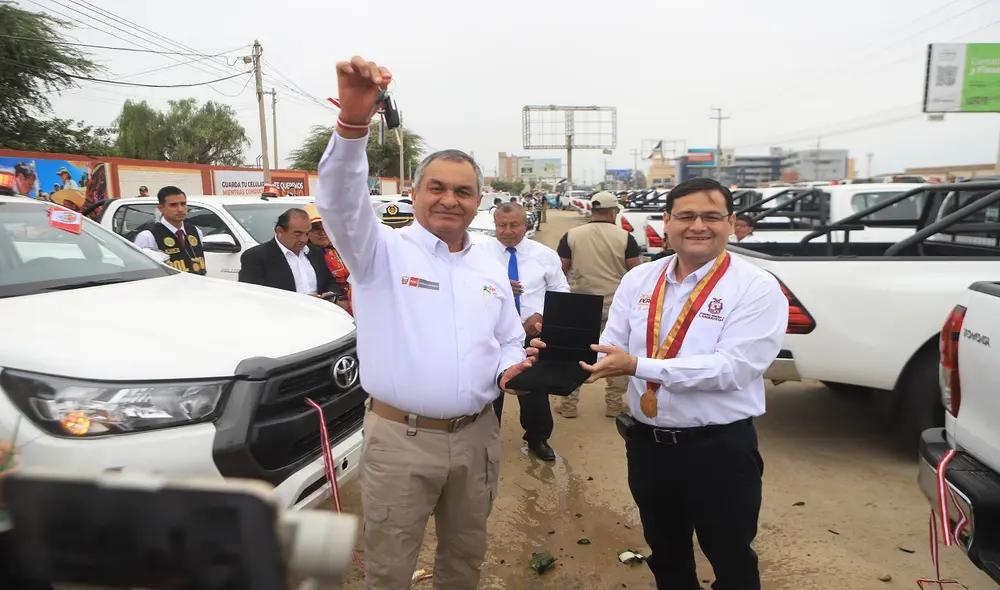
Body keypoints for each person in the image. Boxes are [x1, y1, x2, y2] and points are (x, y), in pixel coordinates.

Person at [315, 55, 536, 590]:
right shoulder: (379, 252)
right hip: (400, 439)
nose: (449, 200)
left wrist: (511, 363)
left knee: (465, 560)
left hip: (479, 433)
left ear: (477, 202)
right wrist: (352, 125)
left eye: (462, 191)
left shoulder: (488, 258)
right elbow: (341, 203)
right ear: (414, 194)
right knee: (390, 567)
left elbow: (507, 334)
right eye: (436, 187)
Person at [549, 177, 788, 590]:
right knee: (666, 551)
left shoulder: (756, 287)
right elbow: (613, 346)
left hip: (719, 450)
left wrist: (640, 366)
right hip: (648, 446)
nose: (698, 225)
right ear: (667, 221)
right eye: (686, 216)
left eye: (712, 216)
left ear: (731, 223)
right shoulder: (641, 280)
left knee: (730, 556)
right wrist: (552, 353)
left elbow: (733, 369)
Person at [486, 202, 570, 461]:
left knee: (534, 390)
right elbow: (464, 289)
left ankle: (537, 438)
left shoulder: (544, 255)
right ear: (495, 225)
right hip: (491, 334)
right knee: (490, 391)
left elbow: (561, 291)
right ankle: (487, 441)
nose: (508, 231)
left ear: (526, 225)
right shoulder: (479, 254)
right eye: (502, 225)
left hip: (532, 335)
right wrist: (497, 287)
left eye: (514, 225)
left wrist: (542, 315)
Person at [555, 191, 642, 418]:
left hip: (579, 304)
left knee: (575, 355)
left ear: (592, 210)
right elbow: (636, 271)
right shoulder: (625, 237)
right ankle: (614, 404)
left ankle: (569, 404)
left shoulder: (572, 235)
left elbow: (561, 269)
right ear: (613, 212)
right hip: (615, 305)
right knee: (617, 353)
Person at [237, 208, 342, 299]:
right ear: (280, 231)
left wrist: (330, 295)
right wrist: (301, 301)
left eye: (307, 234)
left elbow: (330, 282)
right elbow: (252, 296)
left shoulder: (315, 253)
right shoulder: (256, 257)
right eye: (297, 234)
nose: (304, 239)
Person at [133, 186, 207, 275]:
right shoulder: (148, 236)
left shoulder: (195, 231)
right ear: (161, 208)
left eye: (183, 204)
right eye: (173, 205)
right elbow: (143, 271)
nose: (180, 209)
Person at [304, 204, 353, 314]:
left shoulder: (343, 248)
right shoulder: (303, 255)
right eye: (316, 229)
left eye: (325, 227)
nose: (322, 233)